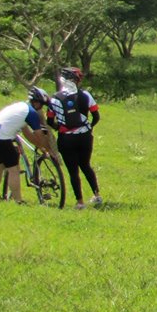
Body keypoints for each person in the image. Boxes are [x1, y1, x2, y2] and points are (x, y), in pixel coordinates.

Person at [0, 87, 57, 204]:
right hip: (2, 138)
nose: (41, 108)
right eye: (42, 105)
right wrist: (48, 150)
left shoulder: (20, 107)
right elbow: (39, 135)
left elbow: (27, 133)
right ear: (36, 103)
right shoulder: (31, 113)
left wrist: (41, 147)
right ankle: (18, 200)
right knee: (13, 170)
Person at [49, 67, 103, 210]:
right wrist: (88, 127)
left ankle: (80, 202)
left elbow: (50, 120)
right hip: (84, 137)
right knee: (85, 165)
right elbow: (96, 116)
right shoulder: (85, 95)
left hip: (66, 139)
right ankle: (97, 195)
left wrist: (59, 128)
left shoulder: (55, 98)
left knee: (73, 171)